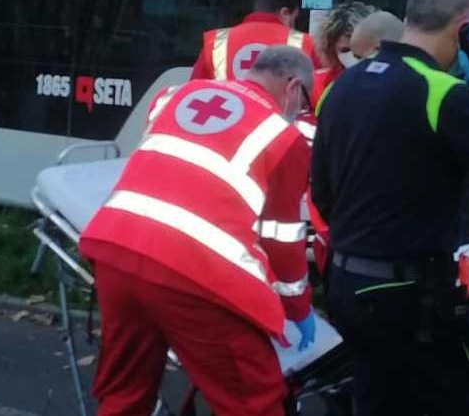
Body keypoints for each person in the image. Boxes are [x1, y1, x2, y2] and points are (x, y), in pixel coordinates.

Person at [311, 0, 469, 416]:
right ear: (465, 30)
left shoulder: (341, 89)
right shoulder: (444, 94)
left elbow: (322, 193)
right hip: (406, 298)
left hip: (345, 285)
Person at [78, 46, 318, 416]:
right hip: (196, 274)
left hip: (116, 250)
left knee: (124, 392)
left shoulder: (174, 96)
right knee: (253, 401)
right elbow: (281, 238)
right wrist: (297, 307)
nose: (299, 112)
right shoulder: (283, 139)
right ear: (292, 87)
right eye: (303, 102)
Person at [191, 0, 322, 81]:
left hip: (229, 115)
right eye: (295, 19)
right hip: (278, 117)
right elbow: (317, 97)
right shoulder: (305, 44)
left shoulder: (217, 43)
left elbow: (195, 90)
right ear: (285, 13)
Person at [313, 1, 375, 98]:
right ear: (332, 51)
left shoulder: (395, 82)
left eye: (360, 47)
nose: (355, 55)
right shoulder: (316, 85)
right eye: (345, 50)